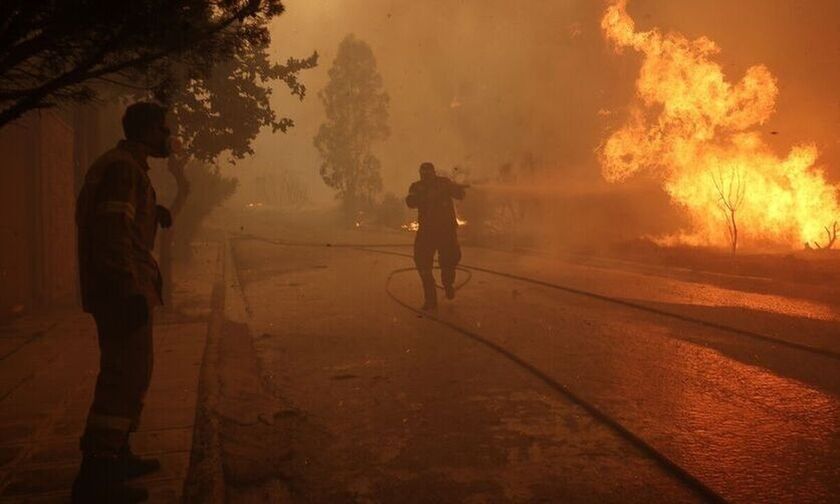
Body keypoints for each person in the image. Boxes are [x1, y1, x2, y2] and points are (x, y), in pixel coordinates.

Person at [72, 102, 173, 503]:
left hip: (123, 289)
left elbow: (122, 221)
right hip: (122, 292)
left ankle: (119, 456)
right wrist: (129, 290)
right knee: (121, 379)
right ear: (148, 130)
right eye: (164, 130)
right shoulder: (124, 170)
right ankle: (96, 477)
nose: (169, 137)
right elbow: (112, 234)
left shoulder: (124, 167)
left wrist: (155, 212)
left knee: (134, 373)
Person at [405, 162, 466, 310]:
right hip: (427, 232)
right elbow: (410, 202)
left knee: (449, 261)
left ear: (434, 172)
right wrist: (426, 197)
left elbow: (460, 195)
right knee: (422, 263)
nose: (425, 175)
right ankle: (431, 299)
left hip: (446, 231)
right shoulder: (417, 187)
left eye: (428, 172)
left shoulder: (444, 183)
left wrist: (454, 188)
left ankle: (447, 284)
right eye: (423, 172)